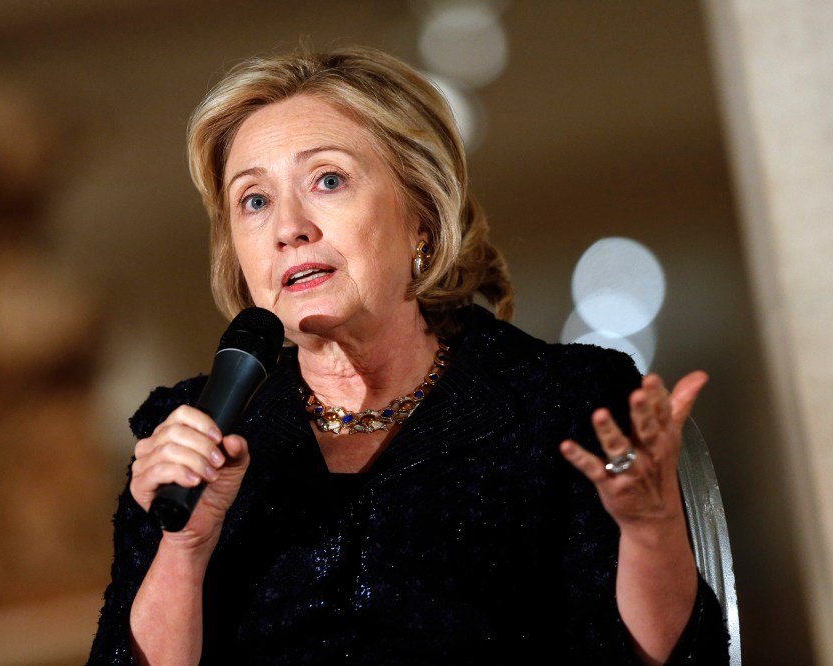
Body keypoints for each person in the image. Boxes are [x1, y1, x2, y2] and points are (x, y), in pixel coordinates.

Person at [88, 46, 728, 665]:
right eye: (254, 200)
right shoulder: (189, 429)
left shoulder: (561, 402)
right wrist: (184, 547)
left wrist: (651, 533)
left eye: (328, 180)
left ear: (420, 215)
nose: (288, 228)